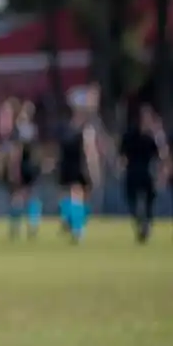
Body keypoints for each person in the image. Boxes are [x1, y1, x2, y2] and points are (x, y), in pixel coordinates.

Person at [118, 102, 166, 244]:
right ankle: (142, 222)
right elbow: (123, 155)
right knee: (136, 201)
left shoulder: (150, 136)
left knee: (146, 201)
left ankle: (144, 223)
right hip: (136, 172)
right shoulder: (135, 134)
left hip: (145, 172)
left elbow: (160, 156)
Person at [56, 97, 100, 244]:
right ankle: (77, 228)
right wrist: (94, 169)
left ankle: (70, 221)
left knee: (71, 197)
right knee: (80, 197)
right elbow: (90, 151)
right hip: (81, 167)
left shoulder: (64, 128)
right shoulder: (86, 130)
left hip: (66, 167)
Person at [5, 100, 43, 240]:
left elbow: (16, 152)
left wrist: (13, 170)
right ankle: (32, 224)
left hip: (22, 166)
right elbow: (36, 151)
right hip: (31, 166)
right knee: (31, 197)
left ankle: (15, 226)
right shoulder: (33, 129)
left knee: (18, 198)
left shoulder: (17, 130)